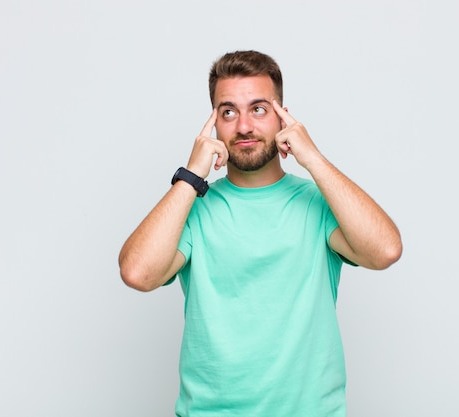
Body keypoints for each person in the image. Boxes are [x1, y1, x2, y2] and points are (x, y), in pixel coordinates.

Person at [119, 50, 402, 416]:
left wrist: (313, 158)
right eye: (228, 112)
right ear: (214, 126)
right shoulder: (192, 208)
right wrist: (191, 175)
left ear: (282, 116)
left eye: (258, 109)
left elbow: (386, 251)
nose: (244, 127)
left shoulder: (317, 204)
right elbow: (137, 273)